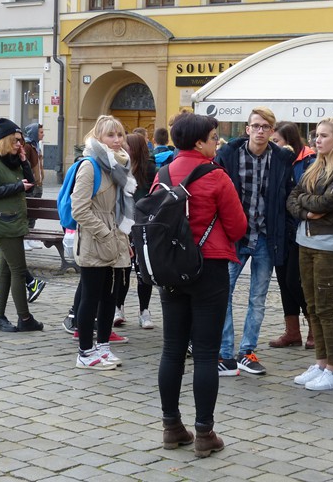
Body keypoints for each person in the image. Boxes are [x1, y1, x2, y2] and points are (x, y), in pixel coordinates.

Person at [156, 112, 246, 458]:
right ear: (198, 142)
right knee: (206, 353)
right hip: (209, 267)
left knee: (172, 349)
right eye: (213, 137)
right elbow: (237, 227)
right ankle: (205, 433)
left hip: (171, 269)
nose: (217, 142)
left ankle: (171, 427)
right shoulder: (216, 176)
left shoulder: (163, 174)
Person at [215, 107, 294, 376]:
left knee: (258, 299)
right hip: (234, 237)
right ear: (247, 129)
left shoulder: (281, 159)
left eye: (266, 127)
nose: (260, 131)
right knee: (223, 293)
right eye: (256, 126)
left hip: (265, 238)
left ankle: (246, 352)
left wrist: (285, 231)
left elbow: (288, 196)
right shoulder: (229, 155)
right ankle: (226, 353)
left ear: (272, 131)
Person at [286, 118, 333, 391]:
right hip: (305, 240)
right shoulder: (316, 165)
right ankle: (321, 363)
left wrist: (308, 203)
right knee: (312, 306)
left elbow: (327, 202)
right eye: (317, 135)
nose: (318, 140)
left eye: (324, 136)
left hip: (330, 245)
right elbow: (292, 198)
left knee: (326, 308)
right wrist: (307, 212)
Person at [72, 115, 136, 370]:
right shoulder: (90, 165)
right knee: (90, 297)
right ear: (98, 137)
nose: (117, 140)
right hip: (95, 239)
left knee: (111, 297)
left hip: (116, 237)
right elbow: (79, 208)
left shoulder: (119, 165)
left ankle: (103, 347)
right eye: (111, 135)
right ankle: (85, 352)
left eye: (120, 134)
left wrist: (121, 236)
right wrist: (105, 233)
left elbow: (120, 207)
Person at [0, 118, 43, 333]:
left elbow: (31, 184)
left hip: (15, 221)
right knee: (18, 271)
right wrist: (16, 186)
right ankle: (24, 318)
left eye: (20, 141)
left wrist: (24, 161)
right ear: (5, 140)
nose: (19, 144)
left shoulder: (13, 160)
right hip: (3, 223)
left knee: (6, 272)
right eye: (15, 140)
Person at [268, 121, 316, 349]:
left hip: (300, 229)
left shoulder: (309, 161)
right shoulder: (272, 159)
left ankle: (314, 329)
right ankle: (292, 332)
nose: (273, 144)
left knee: (294, 281)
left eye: (276, 140)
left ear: (289, 141)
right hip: (279, 229)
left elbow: (304, 194)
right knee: (283, 282)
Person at [114, 133, 157, 330]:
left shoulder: (150, 169)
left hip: (142, 226)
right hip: (124, 225)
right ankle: (118, 308)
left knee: (143, 271)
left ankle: (144, 311)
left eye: (127, 146)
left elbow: (155, 196)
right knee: (122, 269)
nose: (123, 148)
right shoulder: (121, 167)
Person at [23, 122, 45, 249]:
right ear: (34, 133)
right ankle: (25, 237)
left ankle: (30, 236)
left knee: (34, 212)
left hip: (38, 183)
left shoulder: (36, 146)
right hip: (31, 184)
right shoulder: (27, 146)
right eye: (41, 132)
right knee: (28, 211)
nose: (43, 134)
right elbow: (24, 165)